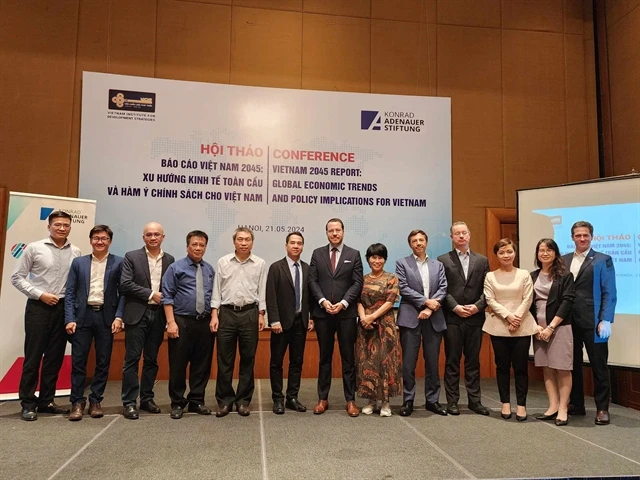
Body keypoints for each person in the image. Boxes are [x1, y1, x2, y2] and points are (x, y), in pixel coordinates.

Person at [11, 211, 81, 421]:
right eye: (57, 224)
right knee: (33, 357)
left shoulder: (76, 251)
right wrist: (40, 295)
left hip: (63, 308)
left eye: (66, 225)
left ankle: (46, 401)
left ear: (70, 227)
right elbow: (17, 277)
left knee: (54, 357)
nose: (62, 228)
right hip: (38, 307)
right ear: (49, 226)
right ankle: (28, 402)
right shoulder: (35, 248)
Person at [65, 225, 125, 421]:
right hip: (82, 316)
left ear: (110, 241)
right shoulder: (78, 263)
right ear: (91, 240)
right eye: (96, 238)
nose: (100, 241)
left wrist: (119, 316)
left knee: (103, 361)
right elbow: (70, 293)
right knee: (78, 361)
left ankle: (96, 400)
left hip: (106, 318)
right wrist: (69, 318)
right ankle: (76, 401)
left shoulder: (119, 263)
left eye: (104, 238)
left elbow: (123, 293)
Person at [562, 221, 616, 425]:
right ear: (572, 237)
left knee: (599, 366)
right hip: (568, 322)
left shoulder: (603, 260)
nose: (582, 238)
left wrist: (606, 319)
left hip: (594, 322)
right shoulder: (564, 260)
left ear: (592, 236)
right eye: (578, 235)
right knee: (572, 364)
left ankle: (602, 408)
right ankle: (576, 404)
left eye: (585, 235)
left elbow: (609, 291)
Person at [120, 222, 175, 420]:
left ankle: (146, 398)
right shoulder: (131, 257)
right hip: (137, 314)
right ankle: (129, 402)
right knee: (132, 359)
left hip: (159, 315)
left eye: (157, 234)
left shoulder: (170, 260)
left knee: (152, 360)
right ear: (143, 237)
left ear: (163, 237)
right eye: (149, 234)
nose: (153, 237)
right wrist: (151, 293)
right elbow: (125, 284)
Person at [309, 218, 364, 417]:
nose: (334, 233)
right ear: (326, 233)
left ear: (343, 232)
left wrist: (344, 303)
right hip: (323, 313)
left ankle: (350, 400)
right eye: (331, 230)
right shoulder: (317, 254)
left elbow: (357, 283)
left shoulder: (354, 254)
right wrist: (323, 301)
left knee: (348, 358)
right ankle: (323, 398)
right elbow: (313, 281)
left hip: (346, 314)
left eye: (337, 230)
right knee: (325, 357)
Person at [210, 227, 266, 417]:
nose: (243, 242)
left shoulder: (260, 263)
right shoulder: (223, 262)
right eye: (240, 239)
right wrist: (214, 314)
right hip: (226, 313)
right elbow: (217, 289)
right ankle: (225, 401)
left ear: (252, 242)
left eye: (247, 239)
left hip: (250, 313)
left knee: (247, 359)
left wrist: (261, 314)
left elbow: (262, 291)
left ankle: (243, 401)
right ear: (234, 242)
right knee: (224, 360)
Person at [437, 221, 490, 416]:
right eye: (457, 233)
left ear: (469, 235)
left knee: (473, 361)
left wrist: (477, 307)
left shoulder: (482, 260)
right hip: (452, 318)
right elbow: (441, 288)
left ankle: (475, 401)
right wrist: (455, 307)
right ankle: (452, 402)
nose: (461, 236)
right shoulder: (442, 260)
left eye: (464, 233)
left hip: (475, 318)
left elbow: (488, 289)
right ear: (451, 237)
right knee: (452, 360)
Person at [162, 230, 215, 419]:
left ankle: (196, 401)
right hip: (181, 321)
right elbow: (167, 297)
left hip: (204, 322)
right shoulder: (175, 268)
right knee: (178, 364)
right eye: (195, 244)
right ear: (187, 246)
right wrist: (171, 322)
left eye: (202, 245)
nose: (198, 248)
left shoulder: (209, 269)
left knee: (202, 365)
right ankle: (177, 402)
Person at [483, 238, 538, 421]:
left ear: (514, 253)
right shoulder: (490, 276)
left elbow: (528, 298)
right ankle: (505, 403)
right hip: (498, 325)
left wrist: (516, 318)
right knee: (502, 366)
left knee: (521, 367)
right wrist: (508, 316)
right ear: (497, 255)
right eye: (502, 252)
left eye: (509, 252)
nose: (506, 255)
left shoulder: (524, 274)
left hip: (522, 325)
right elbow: (490, 300)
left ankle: (521, 405)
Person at [396, 229, 448, 417]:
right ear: (410, 244)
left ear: (426, 242)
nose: (418, 243)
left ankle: (432, 401)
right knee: (409, 364)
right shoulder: (402, 263)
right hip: (411, 319)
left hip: (433, 318)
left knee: (432, 363)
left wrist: (430, 308)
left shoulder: (438, 265)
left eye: (421, 240)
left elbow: (443, 288)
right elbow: (403, 288)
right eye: (414, 241)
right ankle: (408, 400)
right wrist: (425, 302)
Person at [266, 232, 314, 414]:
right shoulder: (276, 268)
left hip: (300, 322)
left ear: (302, 246)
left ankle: (292, 397)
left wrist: (310, 317)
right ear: (286, 245)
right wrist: (274, 320)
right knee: (276, 362)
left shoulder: (308, 269)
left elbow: (309, 297)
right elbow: (271, 295)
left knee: (297, 362)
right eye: (292, 243)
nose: (296, 246)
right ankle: (278, 398)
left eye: (299, 243)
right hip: (281, 324)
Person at [530, 238, 575, 426]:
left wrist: (551, 327)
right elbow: (528, 303)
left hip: (559, 326)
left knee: (562, 368)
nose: (545, 253)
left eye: (549, 250)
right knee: (547, 367)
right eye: (541, 250)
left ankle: (563, 408)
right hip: (538, 328)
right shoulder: (532, 275)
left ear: (555, 253)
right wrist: (536, 326)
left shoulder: (565, 275)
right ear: (537, 254)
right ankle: (553, 406)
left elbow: (567, 301)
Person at [356, 243, 401, 417]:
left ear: (385, 259)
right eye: (373, 257)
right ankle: (371, 400)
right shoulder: (362, 279)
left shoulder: (391, 278)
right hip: (365, 326)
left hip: (385, 326)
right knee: (368, 362)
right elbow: (358, 301)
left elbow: (390, 302)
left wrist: (371, 317)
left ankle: (386, 402)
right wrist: (363, 318)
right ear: (368, 259)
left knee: (385, 362)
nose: (377, 260)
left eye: (380, 257)